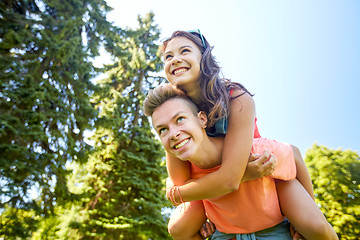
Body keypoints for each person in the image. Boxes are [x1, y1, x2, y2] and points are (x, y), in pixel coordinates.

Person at [149, 30, 338, 240]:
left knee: (318, 229)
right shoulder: (173, 109)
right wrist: (177, 191)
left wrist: (176, 194)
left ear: (204, 58)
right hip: (213, 178)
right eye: (168, 57)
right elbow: (178, 179)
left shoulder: (236, 98)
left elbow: (290, 154)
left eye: (185, 51)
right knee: (177, 228)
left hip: (261, 170)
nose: (175, 59)